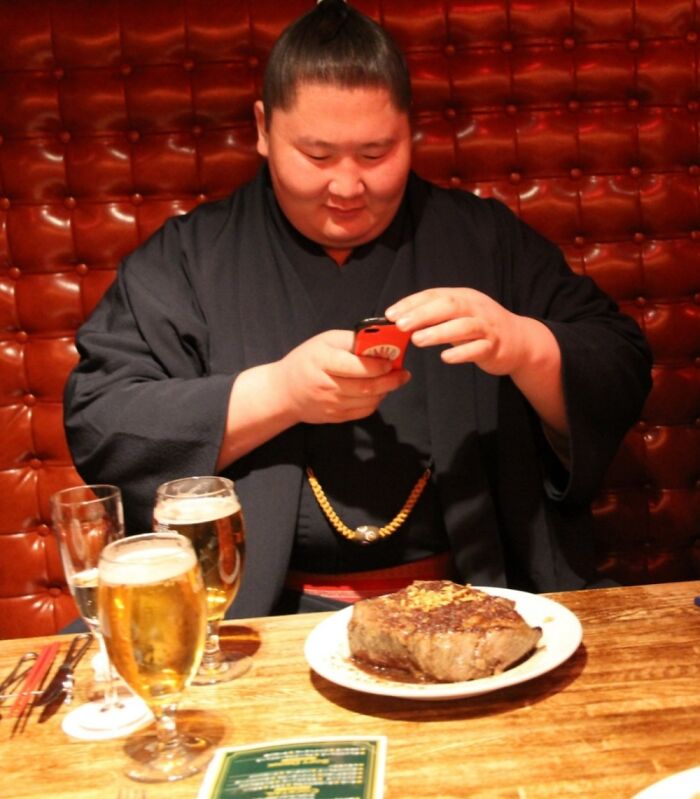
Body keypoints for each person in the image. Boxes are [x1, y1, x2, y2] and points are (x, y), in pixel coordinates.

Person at [64, 0, 652, 617]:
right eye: (317, 156)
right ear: (263, 128)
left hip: (477, 598)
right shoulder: (188, 257)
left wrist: (523, 346)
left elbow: (620, 364)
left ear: (410, 130)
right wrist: (281, 393)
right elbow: (102, 423)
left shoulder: (482, 239)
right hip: (259, 616)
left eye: (376, 154)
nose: (347, 187)